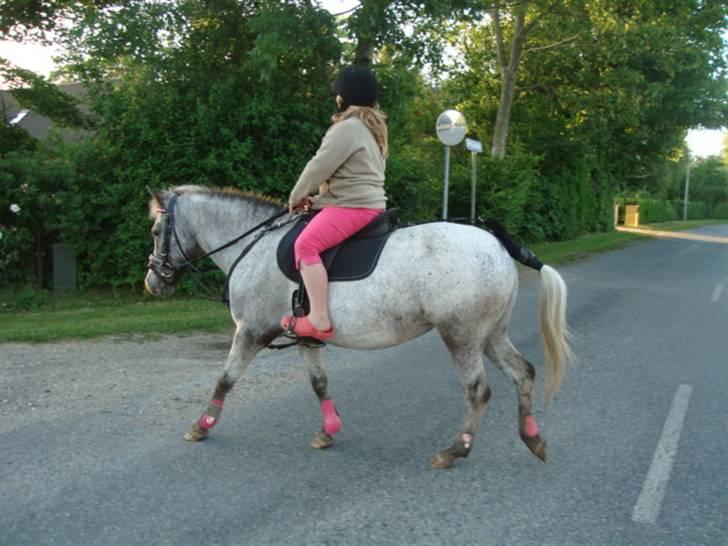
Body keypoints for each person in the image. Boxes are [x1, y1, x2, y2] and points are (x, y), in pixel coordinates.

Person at [280, 65, 388, 341]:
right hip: (366, 203)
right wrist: (318, 200)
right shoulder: (372, 128)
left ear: (342, 98)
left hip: (354, 206)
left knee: (305, 245)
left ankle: (318, 319)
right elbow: (353, 177)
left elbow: (319, 167)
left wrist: (296, 197)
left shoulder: (347, 127)